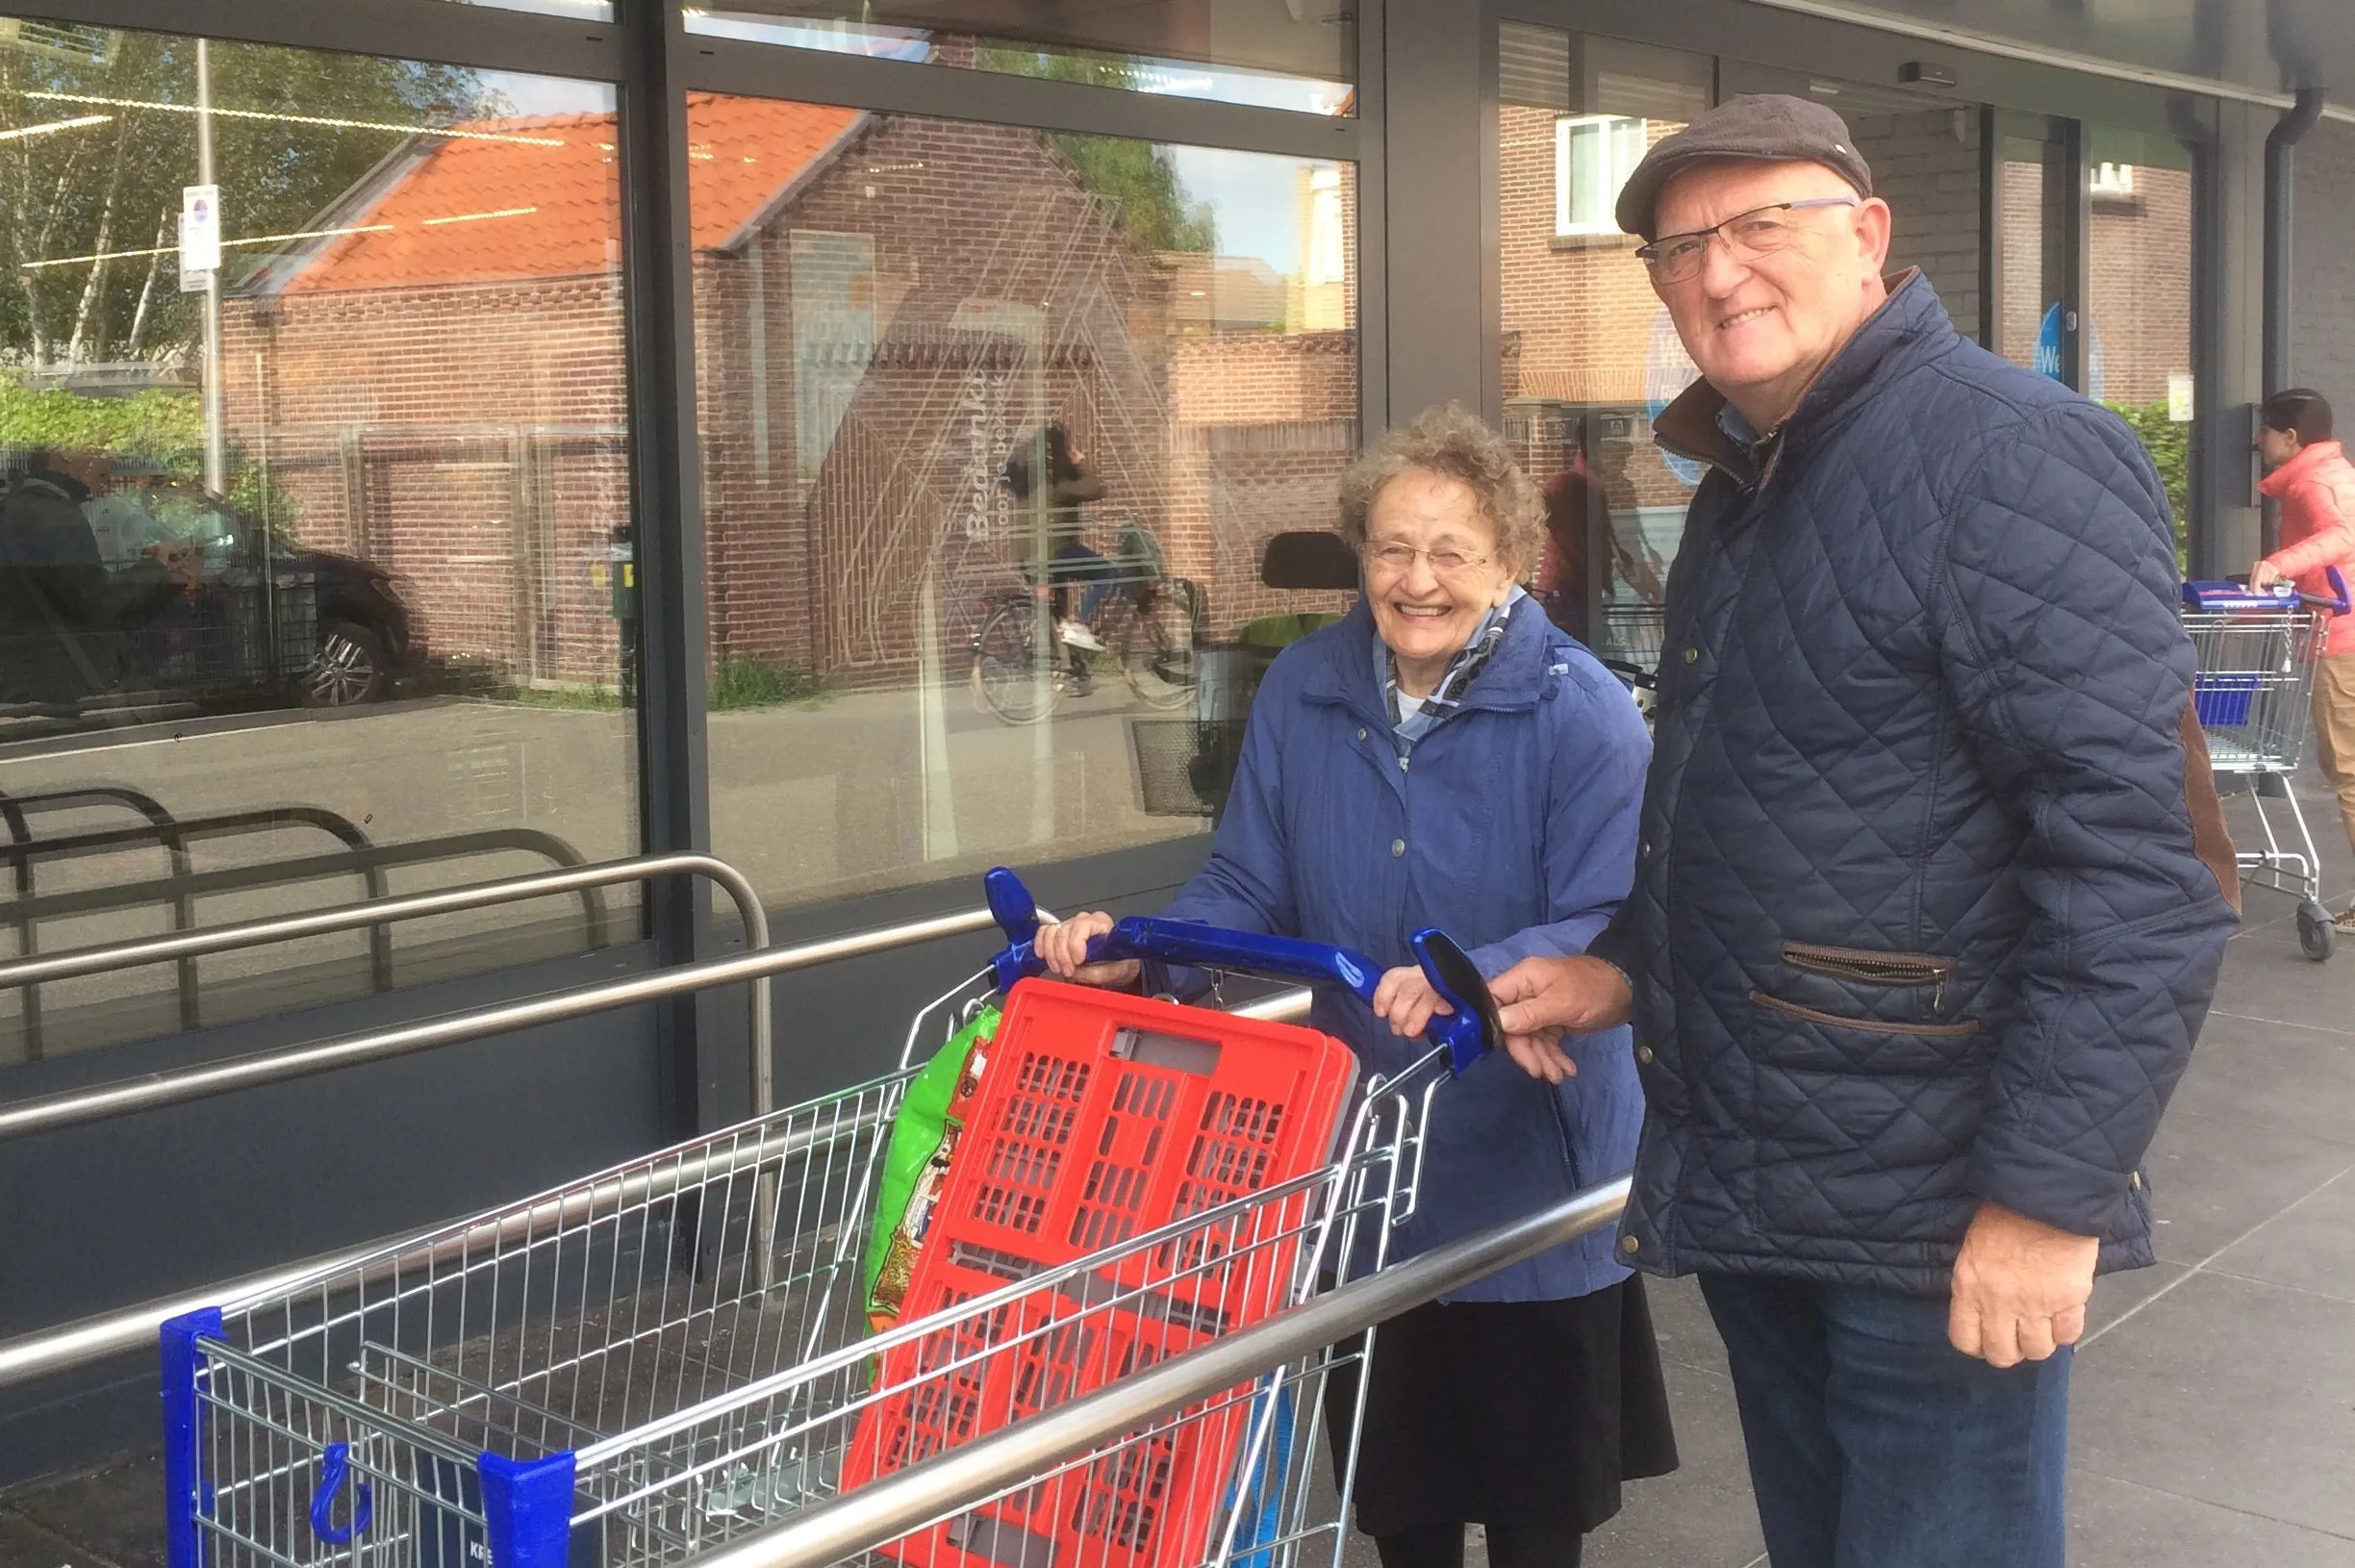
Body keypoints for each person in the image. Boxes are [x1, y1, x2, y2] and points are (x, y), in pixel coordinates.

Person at [1477, 95, 2239, 1568]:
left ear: (1870, 235)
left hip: (1937, 1216)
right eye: (1680, 245)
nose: (1718, 271)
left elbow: (2141, 874)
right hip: (1772, 1183)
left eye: (1761, 224)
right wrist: (1624, 962)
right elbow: (1771, 806)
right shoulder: (1748, 487)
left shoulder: (2012, 457)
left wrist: (2043, 1198)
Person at [1036, 404, 1673, 1568]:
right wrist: (1149, 948)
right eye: (1391, 547)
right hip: (1367, 1171)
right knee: (1399, 1506)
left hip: (1528, 1170)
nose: (1416, 579)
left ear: (1511, 562)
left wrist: (1470, 980)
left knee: (1537, 1522)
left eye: (1450, 552)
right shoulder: (1307, 689)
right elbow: (1246, 878)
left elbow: (1608, 921)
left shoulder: (1580, 714)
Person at [2248, 388, 2355, 927]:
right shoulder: (2335, 473)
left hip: (2343, 642)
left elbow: (2341, 535)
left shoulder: (2313, 482)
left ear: (2291, 437)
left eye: (2265, 430)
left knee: (2348, 768)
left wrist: (2277, 565)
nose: (2258, 439)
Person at [1003, 424, 1117, 689]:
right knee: (1107, 573)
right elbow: (1097, 488)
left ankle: (1067, 670)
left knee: (1056, 613)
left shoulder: (1027, 481)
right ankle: (1081, 624)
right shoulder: (1060, 484)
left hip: (1028, 560)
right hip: (1056, 554)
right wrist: (1081, 462)